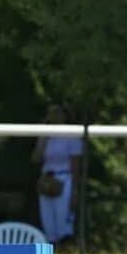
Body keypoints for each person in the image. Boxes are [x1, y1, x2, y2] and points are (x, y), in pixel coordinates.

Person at [31, 105, 83, 245]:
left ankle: (65, 248)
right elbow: (36, 158)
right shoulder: (47, 135)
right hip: (47, 178)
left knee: (62, 218)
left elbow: (76, 165)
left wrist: (74, 191)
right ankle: (51, 248)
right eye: (51, 113)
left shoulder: (71, 136)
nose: (54, 116)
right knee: (47, 218)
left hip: (64, 178)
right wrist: (42, 137)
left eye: (57, 113)